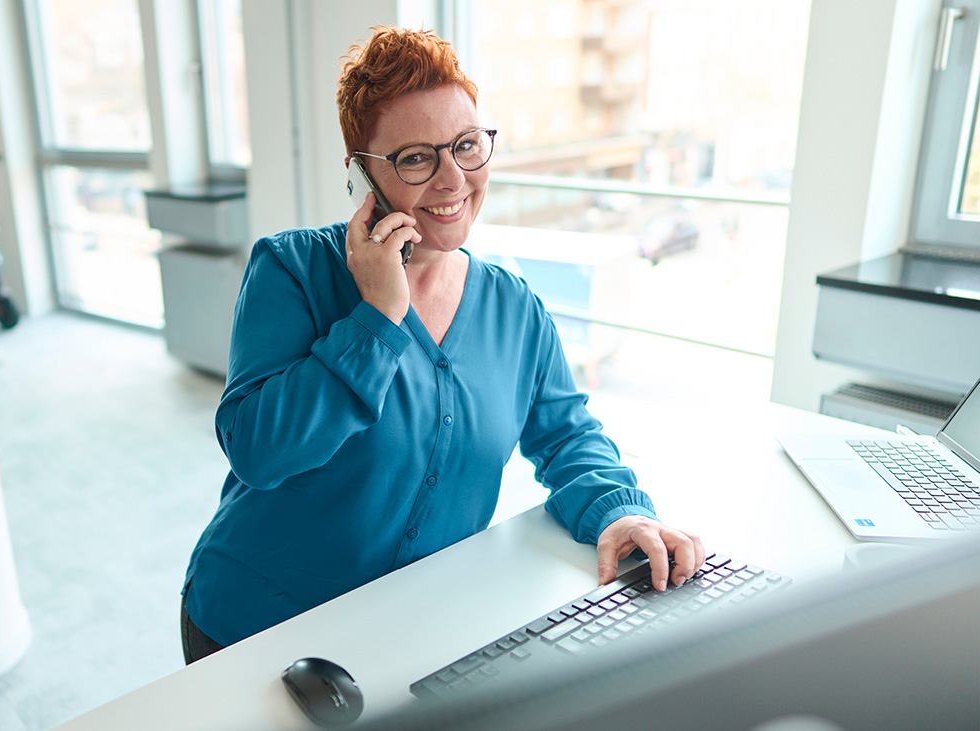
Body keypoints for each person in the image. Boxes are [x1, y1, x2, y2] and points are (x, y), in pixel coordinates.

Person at [179, 26, 704, 665]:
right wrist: (378, 317)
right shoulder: (293, 270)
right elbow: (257, 451)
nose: (453, 179)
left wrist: (618, 512)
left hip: (412, 631)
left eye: (466, 145)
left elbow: (568, 437)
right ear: (362, 172)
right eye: (415, 158)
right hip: (256, 630)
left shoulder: (514, 308)